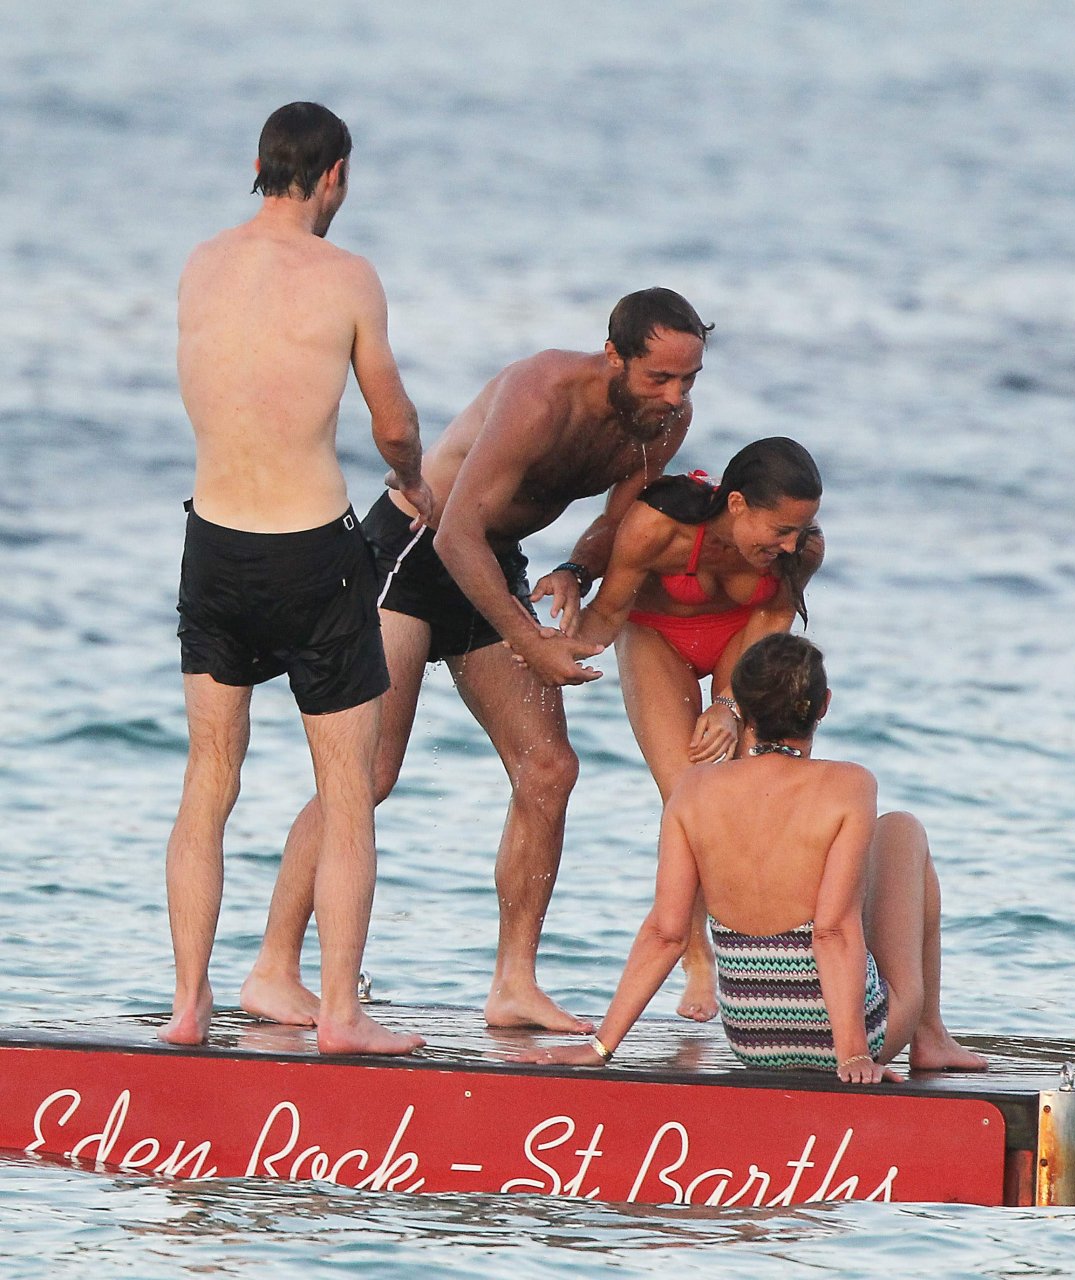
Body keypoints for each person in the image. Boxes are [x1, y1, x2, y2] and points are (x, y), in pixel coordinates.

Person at [241, 288, 713, 1034]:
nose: (676, 396)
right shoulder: (540, 395)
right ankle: (273, 968)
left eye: (688, 379)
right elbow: (455, 531)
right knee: (367, 772)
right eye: (660, 377)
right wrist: (530, 641)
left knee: (548, 770)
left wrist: (577, 570)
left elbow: (619, 518)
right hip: (412, 553)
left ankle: (513, 983)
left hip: (493, 563)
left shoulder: (663, 422)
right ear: (614, 356)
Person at [165, 102, 433, 1056]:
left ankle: (189, 1004)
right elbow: (393, 424)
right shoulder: (348, 276)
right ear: (335, 177)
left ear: (259, 164)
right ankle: (340, 1014)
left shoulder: (201, 262)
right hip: (313, 554)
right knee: (347, 788)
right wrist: (412, 479)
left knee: (209, 777)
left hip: (214, 546)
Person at [519, 633, 988, 1082]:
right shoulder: (850, 784)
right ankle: (930, 1035)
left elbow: (666, 933)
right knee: (901, 829)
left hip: (753, 1039)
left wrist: (601, 1047)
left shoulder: (693, 789)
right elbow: (831, 931)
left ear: (739, 708)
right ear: (823, 705)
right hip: (855, 1035)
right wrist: (853, 1054)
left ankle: (924, 1036)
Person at [571, 438, 824, 1022]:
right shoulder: (657, 526)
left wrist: (731, 703)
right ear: (737, 504)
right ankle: (696, 957)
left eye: (801, 529)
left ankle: (769, 957)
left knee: (754, 788)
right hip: (654, 634)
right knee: (686, 794)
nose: (792, 544)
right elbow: (607, 612)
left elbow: (773, 618)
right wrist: (549, 647)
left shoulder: (802, 550)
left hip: (742, 638)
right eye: (781, 530)